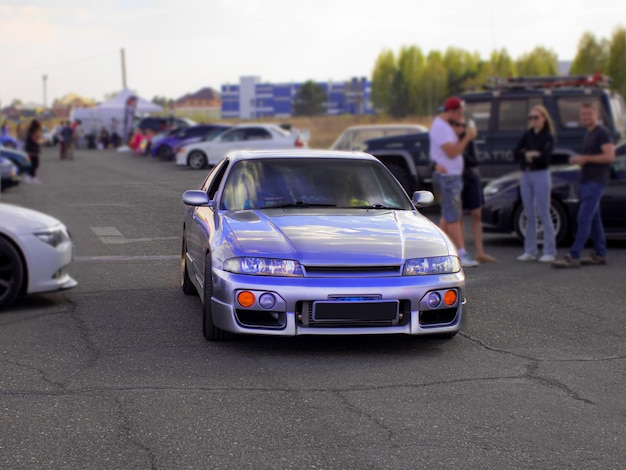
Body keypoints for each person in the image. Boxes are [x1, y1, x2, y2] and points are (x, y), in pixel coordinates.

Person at [553, 102, 615, 268]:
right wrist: (580, 161)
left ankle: (573, 255)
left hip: (596, 182)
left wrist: (585, 159)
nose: (586, 117)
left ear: (598, 116)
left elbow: (609, 156)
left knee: (583, 218)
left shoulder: (602, 132)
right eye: (584, 114)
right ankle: (599, 254)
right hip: (587, 180)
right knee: (594, 220)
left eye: (589, 114)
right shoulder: (589, 134)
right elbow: (594, 156)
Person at [429, 96, 478, 267]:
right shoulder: (441, 127)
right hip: (448, 177)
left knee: (448, 214)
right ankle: (461, 253)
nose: (461, 117)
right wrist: (467, 138)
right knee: (453, 216)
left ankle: (434, 249)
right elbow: (451, 152)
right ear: (453, 111)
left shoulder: (445, 126)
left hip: (451, 176)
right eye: (460, 113)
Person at [513, 105, 557, 262]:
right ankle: (530, 250)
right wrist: (529, 155)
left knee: (544, 212)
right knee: (529, 213)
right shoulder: (527, 135)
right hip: (526, 175)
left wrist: (531, 155)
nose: (533, 120)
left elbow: (545, 157)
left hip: (541, 175)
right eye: (531, 117)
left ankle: (549, 250)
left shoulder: (548, 137)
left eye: (536, 117)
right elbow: (516, 153)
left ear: (544, 119)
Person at [454, 117, 496, 263]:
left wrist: (464, 147)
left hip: (471, 178)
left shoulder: (469, 141)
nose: (461, 128)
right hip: (457, 179)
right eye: (458, 125)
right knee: (458, 215)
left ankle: (480, 252)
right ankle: (461, 251)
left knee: (476, 214)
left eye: (463, 125)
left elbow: (474, 160)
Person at [23, 119, 43, 184]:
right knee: (34, 164)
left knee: (34, 164)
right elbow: (36, 140)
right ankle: (29, 177)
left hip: (32, 149)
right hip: (32, 150)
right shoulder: (33, 131)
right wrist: (44, 140)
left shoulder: (31, 130)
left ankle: (32, 177)